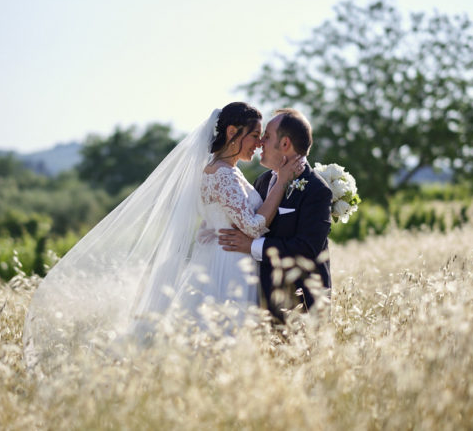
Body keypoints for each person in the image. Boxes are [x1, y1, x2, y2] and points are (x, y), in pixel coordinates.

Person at [23, 102, 303, 369]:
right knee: (224, 337)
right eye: (255, 135)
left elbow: (220, 215)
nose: (259, 143)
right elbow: (253, 226)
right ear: (232, 132)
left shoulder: (228, 171)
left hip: (223, 255)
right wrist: (281, 182)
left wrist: (212, 227)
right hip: (226, 266)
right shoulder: (222, 174)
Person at [218, 108, 333, 321]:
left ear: (285, 144)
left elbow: (306, 249)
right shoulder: (261, 182)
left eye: (267, 136)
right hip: (260, 304)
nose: (260, 142)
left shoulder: (316, 190)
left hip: (301, 307)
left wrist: (251, 246)